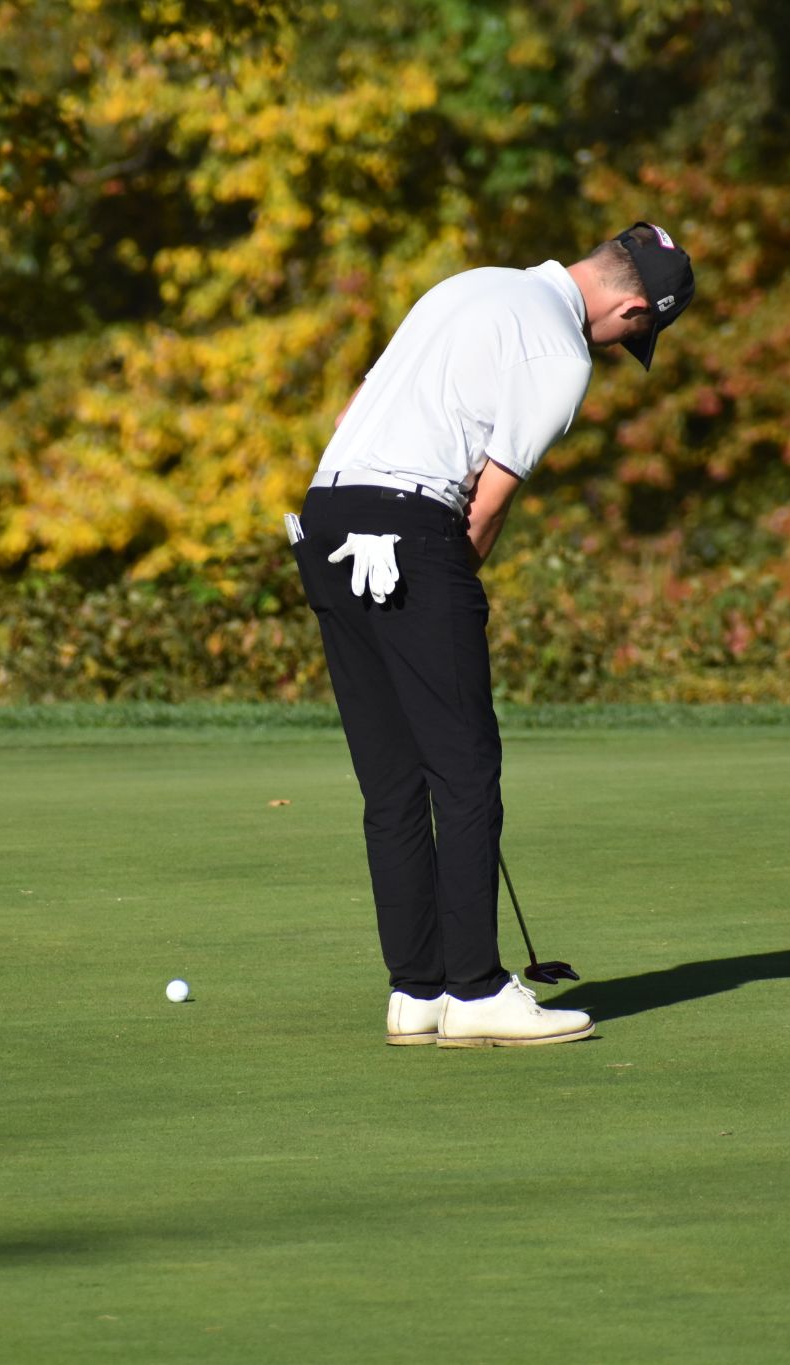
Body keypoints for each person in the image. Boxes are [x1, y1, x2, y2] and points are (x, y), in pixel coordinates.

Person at [289, 221, 697, 1049]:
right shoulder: (560, 353)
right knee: (465, 768)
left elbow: (359, 407)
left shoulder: (467, 285)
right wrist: (447, 580)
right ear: (628, 305)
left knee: (393, 777)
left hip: (328, 517)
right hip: (410, 528)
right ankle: (475, 991)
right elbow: (489, 502)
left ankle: (417, 991)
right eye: (637, 333)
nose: (624, 346)